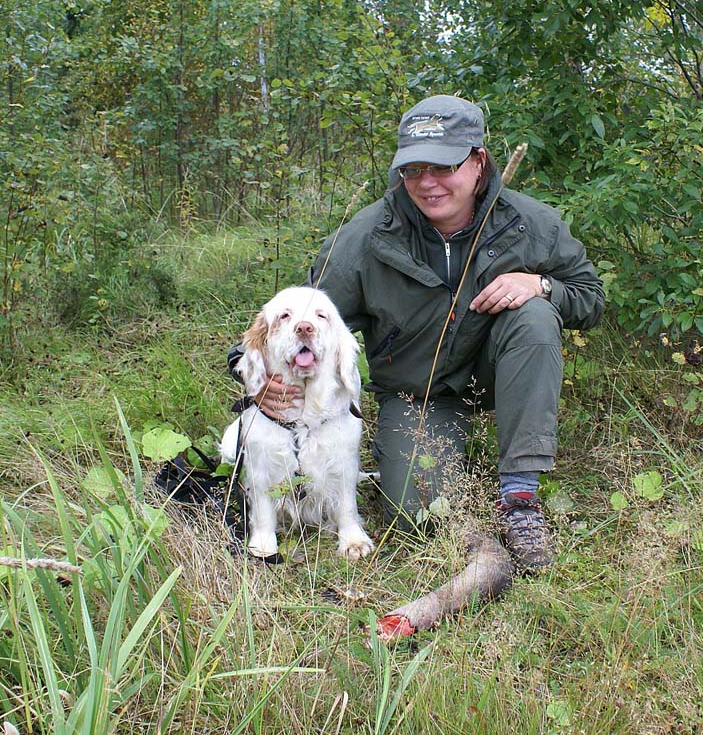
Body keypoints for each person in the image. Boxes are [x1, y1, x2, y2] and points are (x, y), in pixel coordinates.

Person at [228, 94, 604, 571]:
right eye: (412, 169)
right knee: (417, 516)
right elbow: (299, 316)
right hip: (415, 395)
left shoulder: (531, 224)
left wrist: (542, 284)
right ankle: (441, 473)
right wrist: (254, 375)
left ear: (478, 161)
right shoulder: (365, 237)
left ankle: (520, 499)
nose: (427, 183)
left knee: (533, 315)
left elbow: (590, 298)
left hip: (498, 370)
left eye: (443, 166)